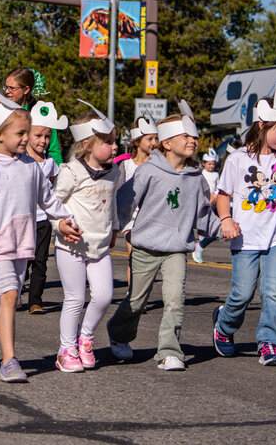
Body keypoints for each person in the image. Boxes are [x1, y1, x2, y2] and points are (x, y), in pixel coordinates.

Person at [0, 94, 80, 382]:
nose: (26, 138)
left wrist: (62, 220)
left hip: (22, 242)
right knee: (10, 295)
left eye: (28, 132)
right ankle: (9, 361)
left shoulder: (32, 166)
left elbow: (48, 199)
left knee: (8, 301)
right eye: (20, 133)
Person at [109, 110, 218, 371]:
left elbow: (203, 215)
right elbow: (125, 202)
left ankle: (169, 351)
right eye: (186, 136)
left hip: (177, 249)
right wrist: (112, 228)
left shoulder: (197, 179)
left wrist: (225, 228)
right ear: (167, 143)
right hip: (145, 246)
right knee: (136, 301)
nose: (193, 140)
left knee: (174, 299)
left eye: (194, 136)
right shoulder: (148, 171)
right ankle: (118, 333)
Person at [213, 87, 276, 367]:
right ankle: (224, 327)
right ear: (262, 125)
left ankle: (269, 343)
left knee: (273, 293)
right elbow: (223, 195)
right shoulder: (238, 158)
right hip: (246, 238)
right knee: (242, 294)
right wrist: (226, 220)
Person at [52, 102, 118, 372]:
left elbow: (111, 204)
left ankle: (86, 337)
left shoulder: (114, 172)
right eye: (108, 142)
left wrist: (113, 228)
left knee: (103, 296)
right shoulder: (71, 172)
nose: (115, 147)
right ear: (88, 144)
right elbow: (51, 204)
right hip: (72, 246)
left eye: (116, 142)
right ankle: (66, 349)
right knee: (75, 298)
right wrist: (60, 225)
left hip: (100, 246)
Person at [24, 101, 68, 315]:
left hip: (43, 219)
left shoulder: (50, 162)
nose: (43, 141)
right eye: (38, 136)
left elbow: (56, 185)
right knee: (23, 260)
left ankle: (35, 301)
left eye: (47, 136)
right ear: (27, 135)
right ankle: (13, 293)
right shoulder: (21, 160)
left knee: (40, 261)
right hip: (22, 218)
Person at [0, 67, 63, 164]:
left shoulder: (41, 112)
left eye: (12, 88)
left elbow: (53, 150)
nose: (7, 91)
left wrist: (58, 175)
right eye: (6, 87)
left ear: (26, 89)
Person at [115, 116, 159, 276]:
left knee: (148, 263)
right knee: (134, 258)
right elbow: (118, 194)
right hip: (131, 220)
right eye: (149, 139)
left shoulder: (159, 166)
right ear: (136, 141)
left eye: (156, 138)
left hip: (152, 219)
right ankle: (131, 295)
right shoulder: (126, 165)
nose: (154, 142)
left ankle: (140, 293)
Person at [192, 147, 220, 263]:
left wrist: (215, 195)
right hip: (201, 200)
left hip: (212, 202)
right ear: (203, 163)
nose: (211, 166)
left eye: (213, 164)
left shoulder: (216, 174)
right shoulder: (201, 173)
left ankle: (202, 240)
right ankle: (201, 240)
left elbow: (218, 187)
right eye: (209, 164)